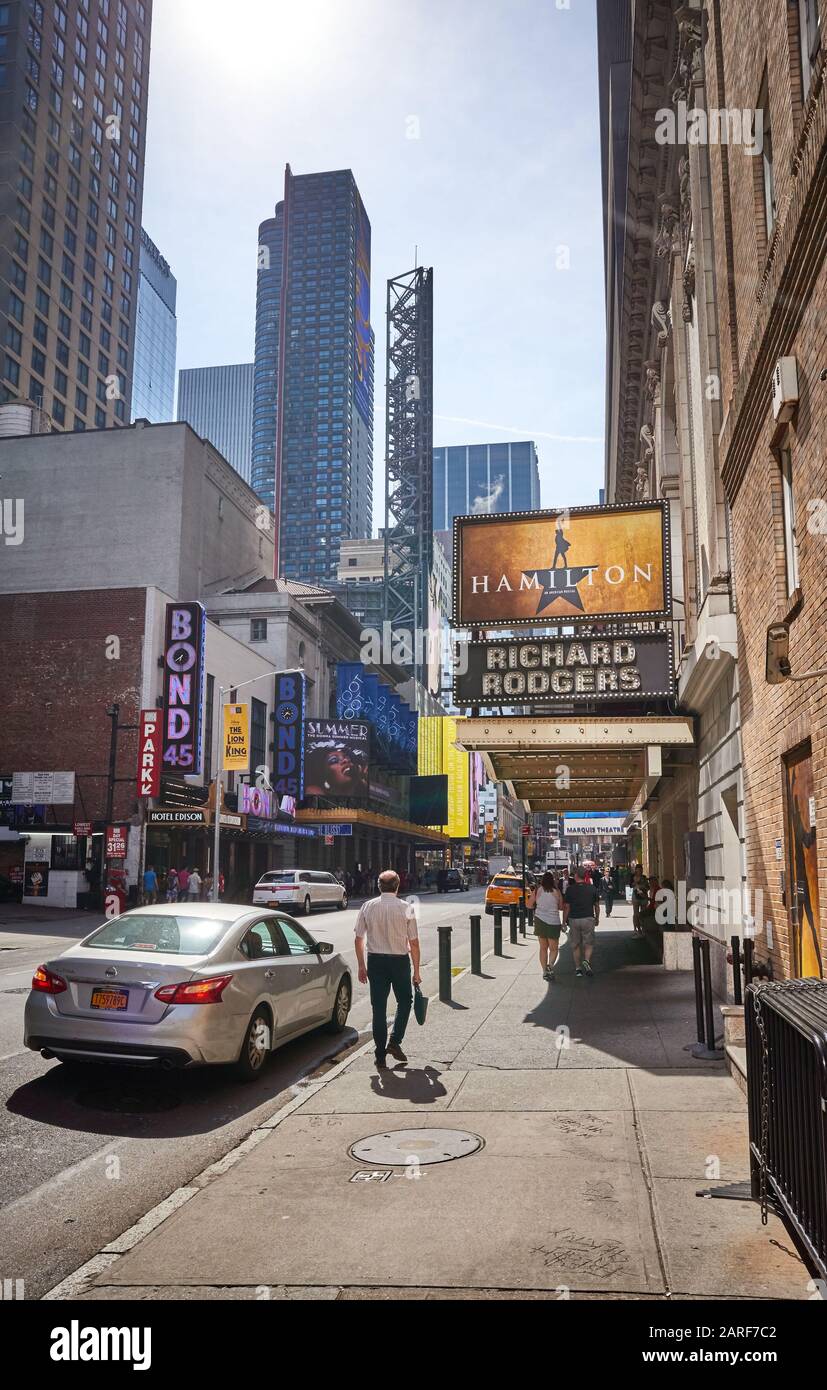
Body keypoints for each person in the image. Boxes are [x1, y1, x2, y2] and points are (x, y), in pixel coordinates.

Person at [354, 869, 422, 1069]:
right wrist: (417, 971)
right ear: (398, 885)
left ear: (378, 886)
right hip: (400, 962)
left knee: (379, 1009)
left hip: (376, 962)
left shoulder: (368, 906)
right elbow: (414, 943)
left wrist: (361, 965)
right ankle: (395, 1041)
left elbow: (358, 939)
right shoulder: (406, 907)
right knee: (405, 1001)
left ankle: (380, 1055)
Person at [563, 866, 600, 978]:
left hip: (574, 919)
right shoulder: (592, 888)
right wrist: (597, 918)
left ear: (576, 876)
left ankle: (578, 968)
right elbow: (597, 906)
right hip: (588, 918)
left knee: (575, 945)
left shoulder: (570, 889)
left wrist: (564, 921)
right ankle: (587, 960)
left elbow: (567, 907)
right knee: (588, 943)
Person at [534, 871, 565, 982]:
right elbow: (561, 907)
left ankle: (544, 972)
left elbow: (528, 904)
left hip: (540, 921)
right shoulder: (557, 892)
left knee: (543, 948)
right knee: (554, 948)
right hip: (553, 922)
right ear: (552, 880)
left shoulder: (538, 890)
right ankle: (550, 966)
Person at [631, 865, 649, 933]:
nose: (640, 872)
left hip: (643, 895)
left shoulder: (644, 877)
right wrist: (636, 882)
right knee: (636, 913)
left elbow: (648, 887)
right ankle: (636, 928)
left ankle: (643, 927)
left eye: (641, 870)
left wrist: (644, 887)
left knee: (643, 912)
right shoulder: (633, 877)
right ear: (636, 870)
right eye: (638, 870)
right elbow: (630, 885)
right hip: (636, 896)